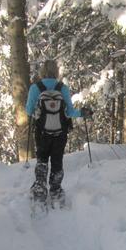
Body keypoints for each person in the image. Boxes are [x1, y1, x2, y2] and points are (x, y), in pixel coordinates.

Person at [25, 59, 92, 207]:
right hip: (60, 132)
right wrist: (83, 112)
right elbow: (69, 112)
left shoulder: (36, 88)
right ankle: (56, 191)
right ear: (56, 72)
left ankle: (39, 190)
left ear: (42, 71)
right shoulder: (62, 88)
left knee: (42, 159)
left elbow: (29, 111)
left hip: (42, 132)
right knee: (57, 161)